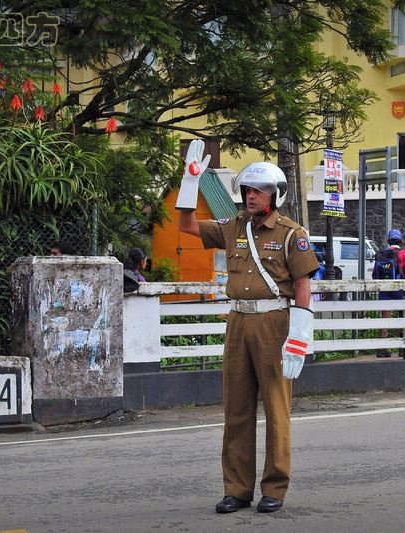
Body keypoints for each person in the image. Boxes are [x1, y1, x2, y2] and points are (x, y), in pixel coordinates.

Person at [176, 140, 319, 514]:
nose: (250, 196)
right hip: (238, 321)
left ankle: (275, 487)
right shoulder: (233, 226)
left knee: (276, 409)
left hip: (275, 322)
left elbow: (303, 285)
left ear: (275, 194)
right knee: (236, 410)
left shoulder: (291, 233)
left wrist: (298, 337)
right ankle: (237, 489)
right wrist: (190, 184)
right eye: (247, 190)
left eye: (258, 190)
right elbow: (186, 224)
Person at [372, 229, 405, 358]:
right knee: (402, 316)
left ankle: (382, 349)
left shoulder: (381, 254)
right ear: (401, 240)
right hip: (399, 288)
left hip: (384, 288)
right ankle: (402, 348)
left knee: (385, 316)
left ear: (388, 241)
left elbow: (374, 274)